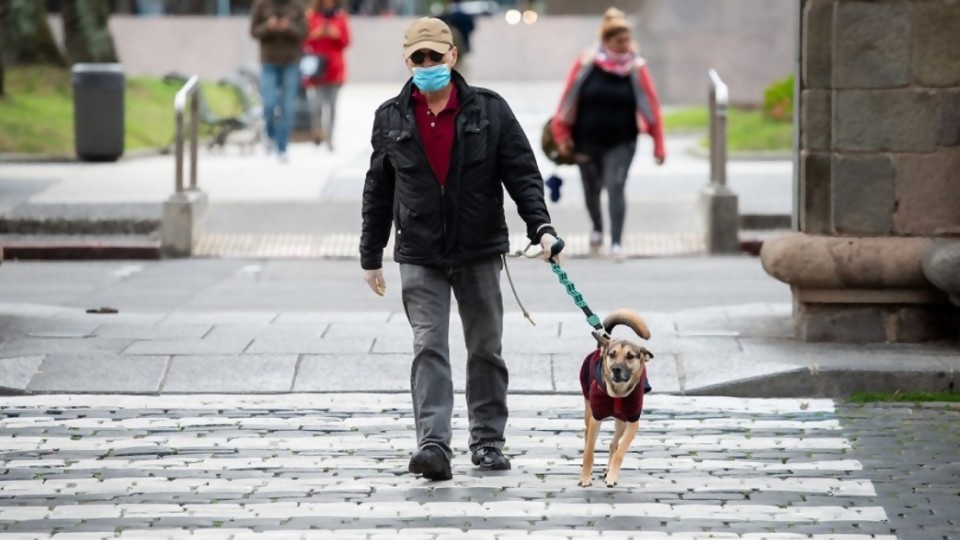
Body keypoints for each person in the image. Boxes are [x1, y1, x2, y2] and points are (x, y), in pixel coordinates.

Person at [359, 17, 561, 481]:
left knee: (485, 348)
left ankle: (488, 441)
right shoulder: (390, 117)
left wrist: (541, 228)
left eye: (436, 56)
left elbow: (522, 174)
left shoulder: (489, 110)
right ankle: (433, 444)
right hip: (420, 252)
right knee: (428, 346)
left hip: (478, 250)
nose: (428, 65)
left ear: (453, 55)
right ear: (407, 61)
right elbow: (378, 190)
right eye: (418, 58)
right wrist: (371, 254)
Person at [550, 7, 666, 259]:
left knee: (616, 185)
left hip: (622, 140)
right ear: (606, 41)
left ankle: (615, 242)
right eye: (619, 41)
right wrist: (560, 135)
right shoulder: (586, 63)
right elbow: (567, 100)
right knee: (591, 189)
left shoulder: (636, 68)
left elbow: (652, 105)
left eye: (628, 40)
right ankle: (597, 227)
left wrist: (659, 145)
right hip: (586, 141)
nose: (626, 45)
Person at [250, 0, 308, 161]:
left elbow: (304, 33)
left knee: (287, 107)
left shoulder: (297, 6)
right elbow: (253, 32)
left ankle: (282, 147)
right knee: (268, 103)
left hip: (291, 62)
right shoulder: (261, 5)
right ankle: (271, 136)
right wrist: (268, 26)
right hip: (269, 62)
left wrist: (288, 27)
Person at [303, 0, 350, 150]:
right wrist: (316, 34)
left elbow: (346, 41)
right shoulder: (312, 16)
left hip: (335, 67)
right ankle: (318, 131)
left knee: (332, 105)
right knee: (316, 105)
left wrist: (335, 34)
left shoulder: (340, 17)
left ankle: (330, 139)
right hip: (317, 67)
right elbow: (304, 41)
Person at [439, 0, 476, 78]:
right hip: (463, 47)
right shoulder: (466, 16)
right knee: (462, 73)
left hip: (448, 49)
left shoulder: (446, 15)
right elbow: (472, 27)